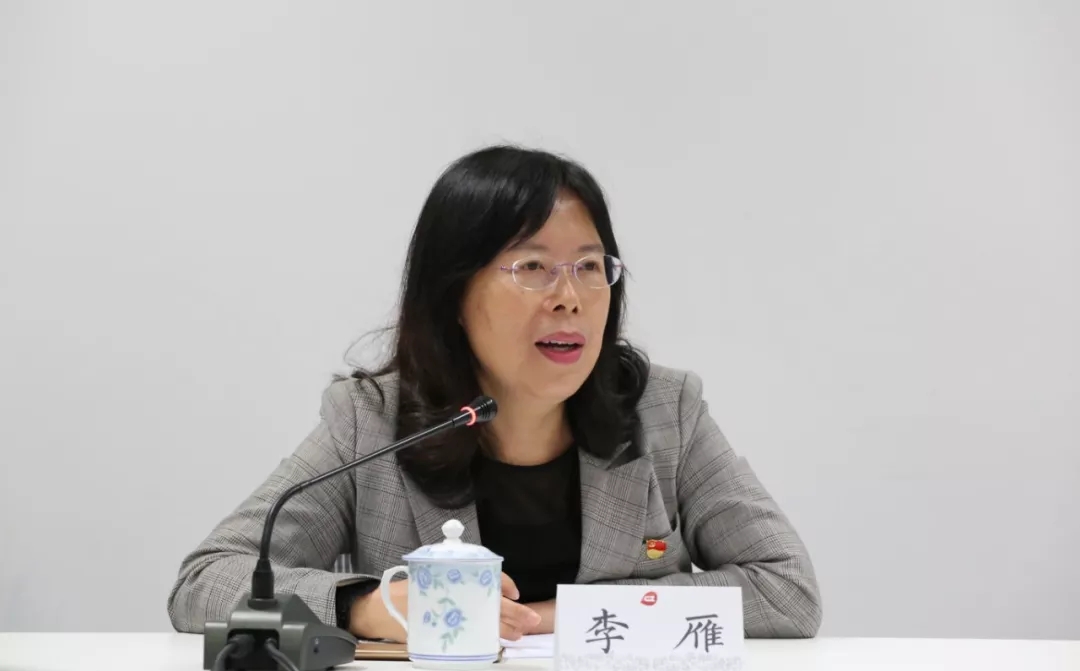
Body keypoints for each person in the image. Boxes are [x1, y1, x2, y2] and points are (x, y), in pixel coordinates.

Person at [167, 145, 822, 640]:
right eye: (533, 267)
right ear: (454, 295)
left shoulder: (663, 410)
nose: (570, 296)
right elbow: (207, 580)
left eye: (589, 267)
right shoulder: (374, 421)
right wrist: (369, 607)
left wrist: (551, 618)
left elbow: (786, 591)